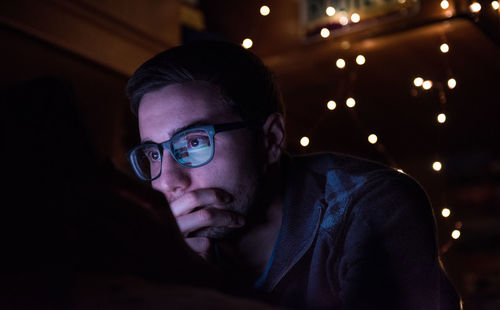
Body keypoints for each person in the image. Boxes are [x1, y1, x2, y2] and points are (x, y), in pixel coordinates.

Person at [125, 40, 461, 309]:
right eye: (154, 153)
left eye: (194, 142)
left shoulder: (369, 205)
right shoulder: (163, 250)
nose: (168, 181)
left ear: (270, 139)